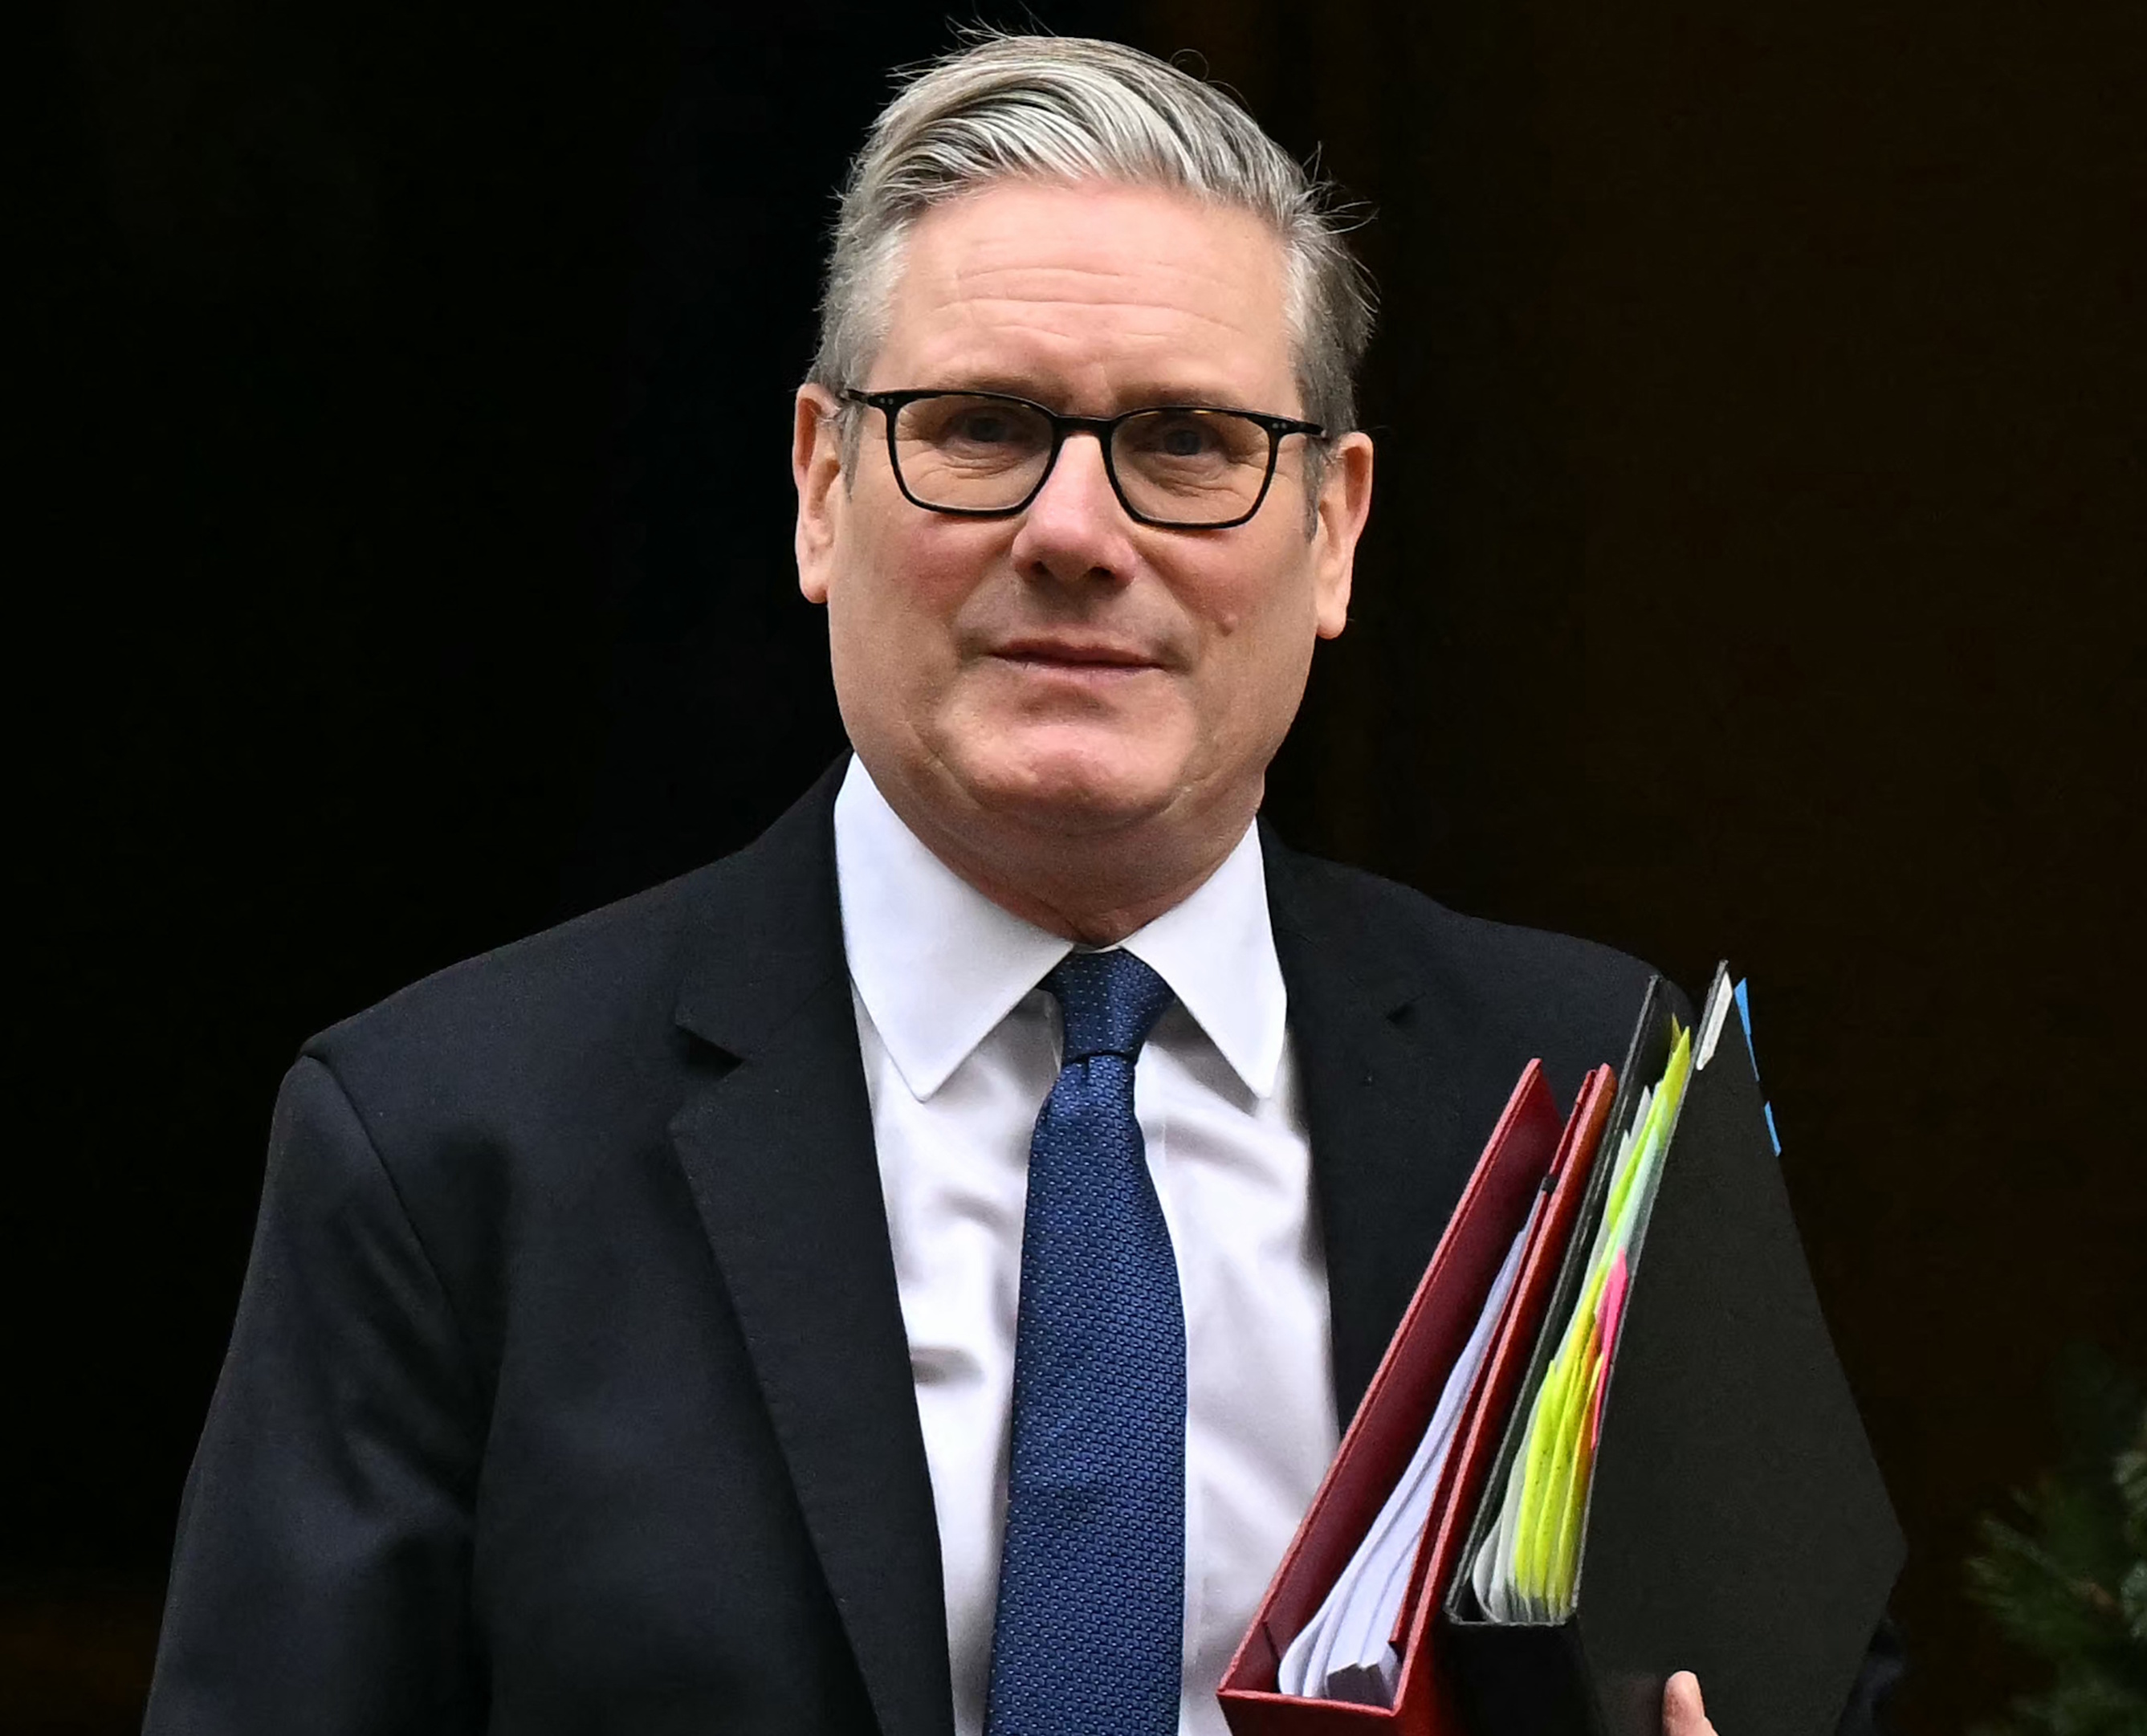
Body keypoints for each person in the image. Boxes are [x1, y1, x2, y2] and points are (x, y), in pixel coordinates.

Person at [143, 35, 1892, 1736]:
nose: (1073, 531)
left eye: (1189, 441)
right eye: (981, 427)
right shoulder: (448, 1145)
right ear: (821, 487)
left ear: (1334, 531)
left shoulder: (1590, 1089)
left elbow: (1798, 1680)